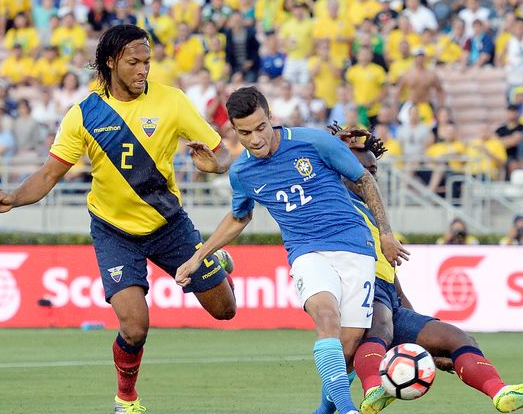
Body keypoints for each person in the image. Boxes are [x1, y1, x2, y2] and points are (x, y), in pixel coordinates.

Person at [0, 25, 237, 414]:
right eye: (134, 62)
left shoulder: (173, 102)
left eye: (147, 62)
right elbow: (48, 175)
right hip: (114, 232)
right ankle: (127, 399)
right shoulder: (84, 114)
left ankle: (215, 259)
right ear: (111, 62)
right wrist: (13, 198)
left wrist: (214, 166)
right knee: (134, 326)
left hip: (169, 224)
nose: (143, 70)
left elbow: (222, 154)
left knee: (225, 310)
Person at [174, 86, 409, 414]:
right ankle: (347, 409)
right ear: (233, 131)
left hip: (355, 246)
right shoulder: (242, 172)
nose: (255, 139)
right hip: (307, 252)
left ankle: (325, 410)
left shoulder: (312, 142)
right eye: (244, 133)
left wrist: (385, 233)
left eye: (260, 128)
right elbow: (239, 217)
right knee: (326, 317)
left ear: (271, 118)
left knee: (349, 345)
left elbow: (366, 181)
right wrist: (197, 256)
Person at [323, 127, 523, 414]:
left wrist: (415, 329)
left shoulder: (375, 213)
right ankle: (373, 390)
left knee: (458, 338)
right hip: (361, 290)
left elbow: (392, 279)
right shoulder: (335, 200)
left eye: (374, 169)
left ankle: (501, 392)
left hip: (388, 296)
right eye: (362, 168)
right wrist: (334, 145)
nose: (370, 175)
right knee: (380, 326)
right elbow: (318, 167)